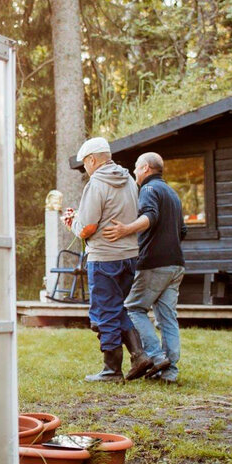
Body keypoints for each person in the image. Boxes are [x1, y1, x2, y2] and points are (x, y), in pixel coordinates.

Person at [63, 137, 153, 382]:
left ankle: (112, 370)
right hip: (129, 256)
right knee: (116, 307)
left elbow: (88, 228)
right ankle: (139, 355)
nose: (86, 168)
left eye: (85, 164)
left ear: (93, 160)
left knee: (105, 312)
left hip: (104, 257)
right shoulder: (129, 182)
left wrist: (73, 224)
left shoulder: (97, 184)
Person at [102, 152, 186, 383]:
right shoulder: (172, 194)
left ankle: (157, 357)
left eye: (137, 168)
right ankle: (169, 372)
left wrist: (125, 230)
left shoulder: (149, 190)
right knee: (167, 317)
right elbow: (183, 231)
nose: (135, 173)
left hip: (154, 263)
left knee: (134, 308)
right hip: (176, 264)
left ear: (146, 168)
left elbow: (150, 216)